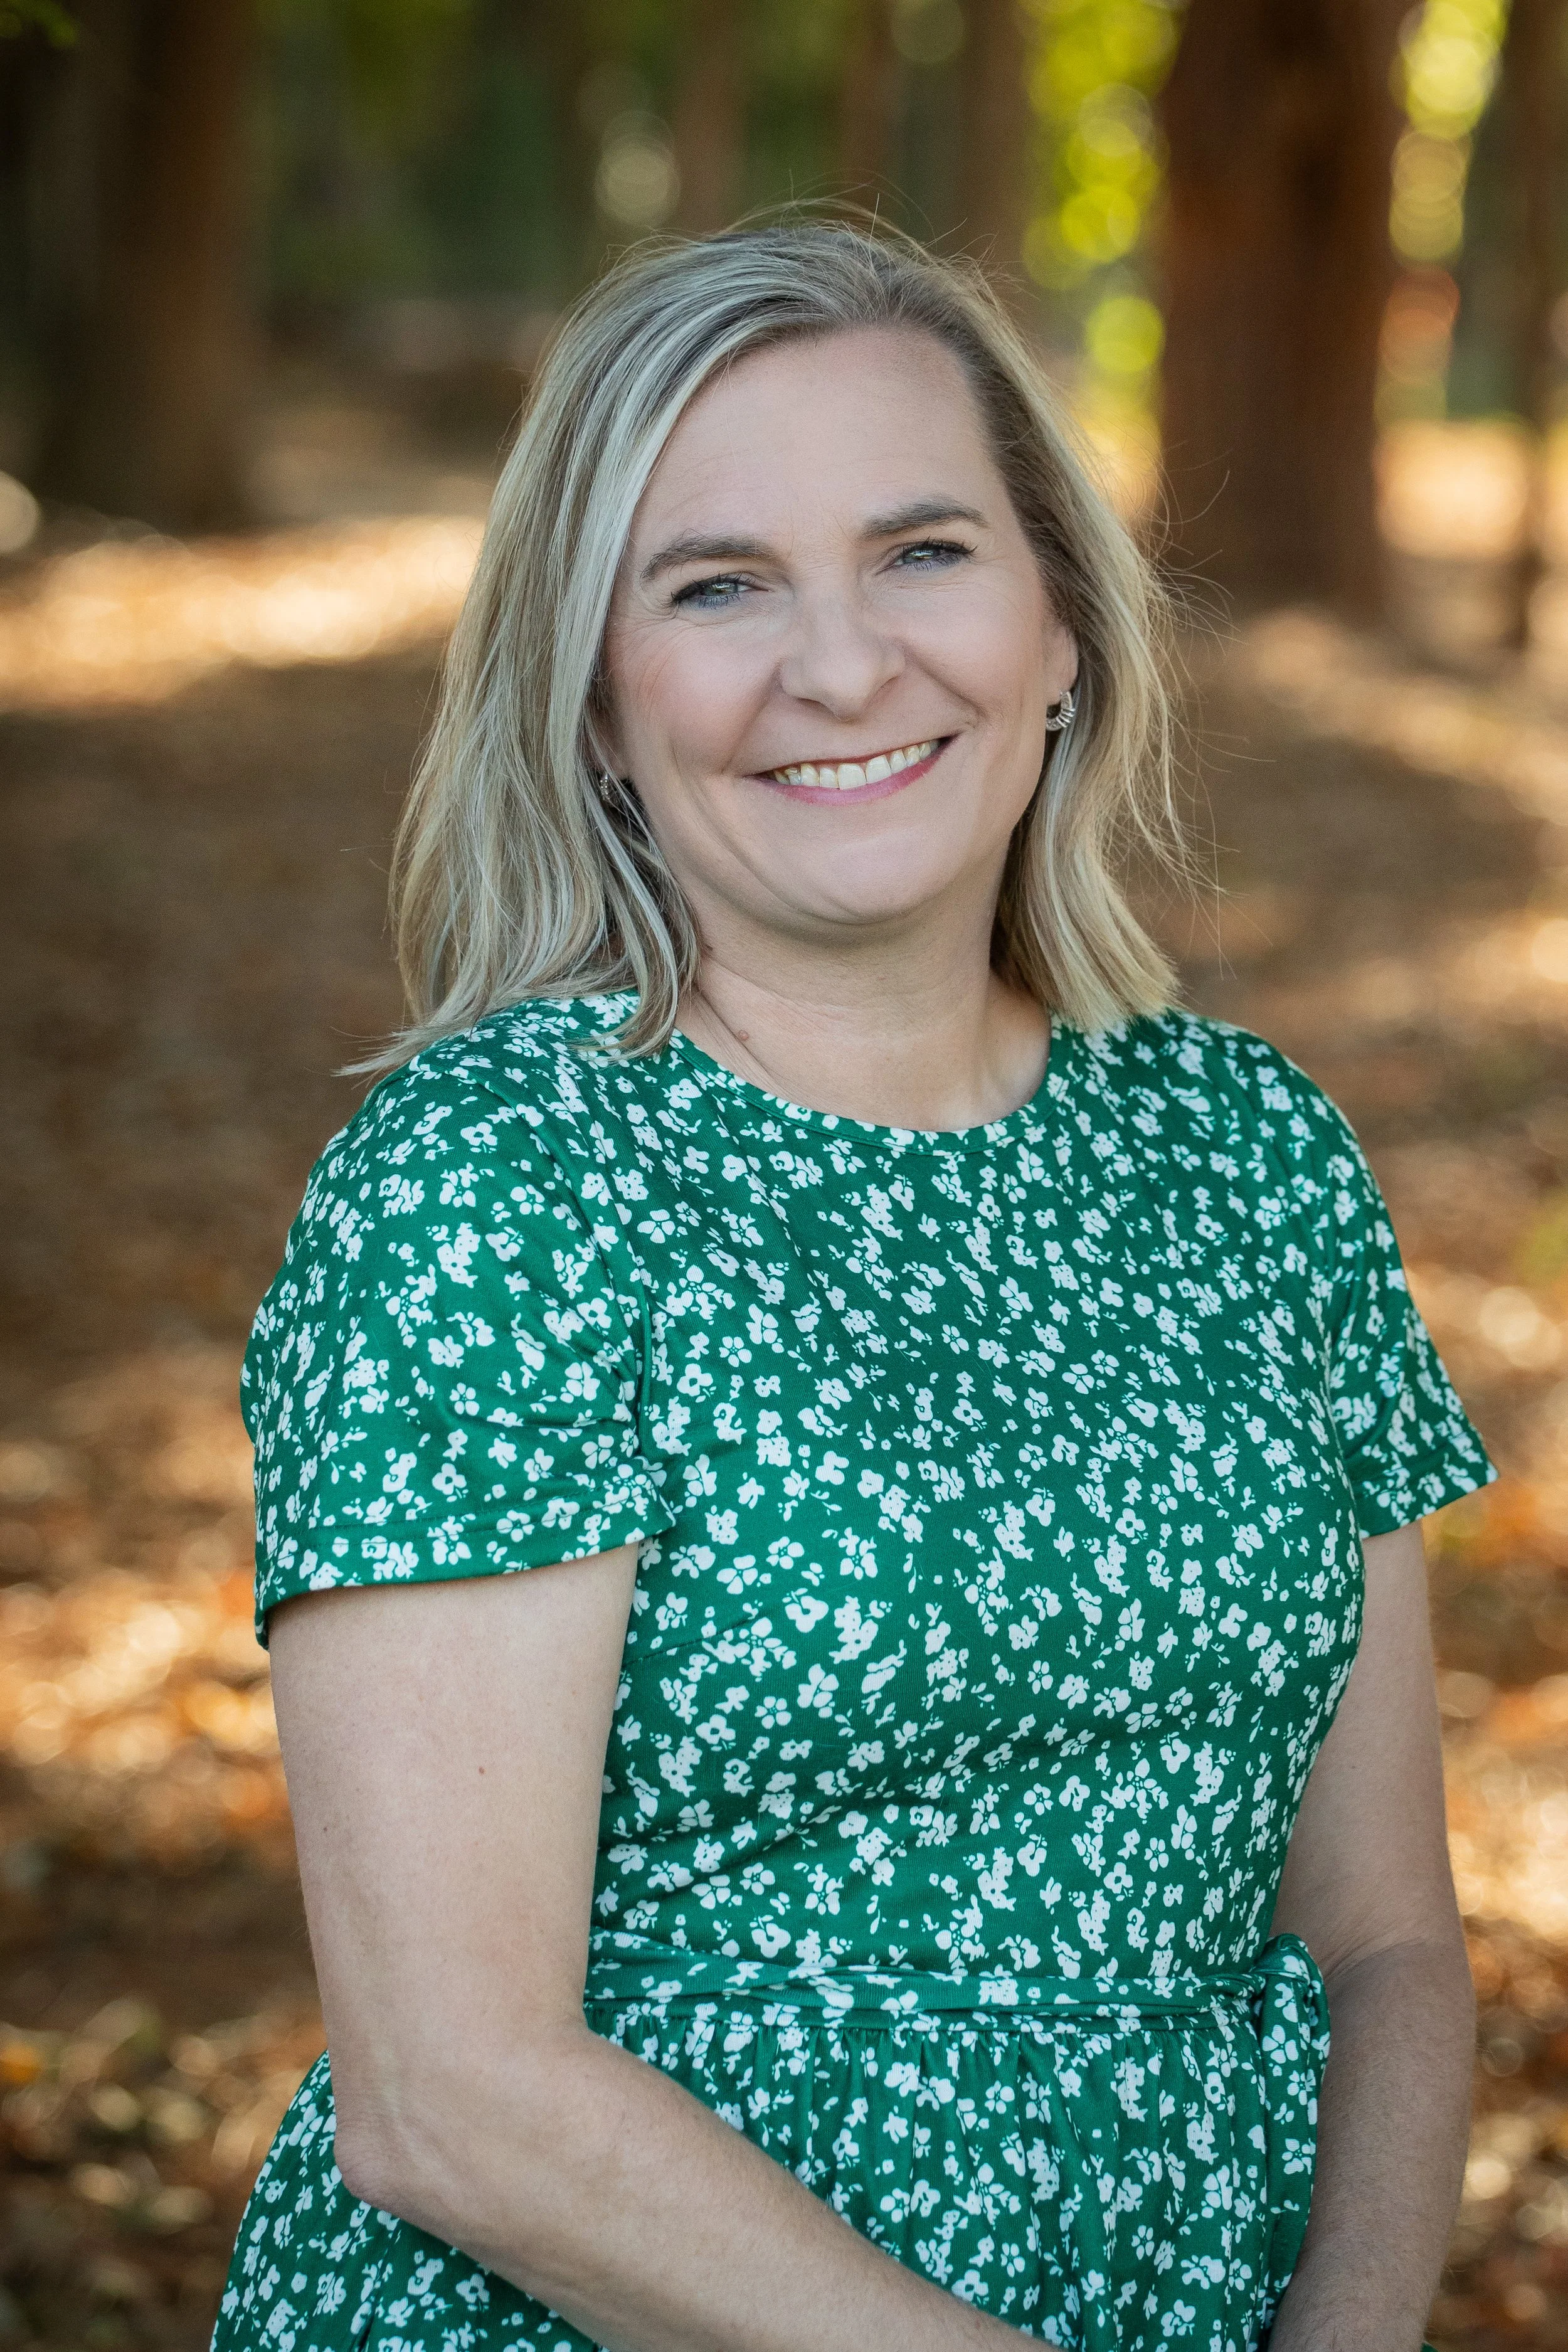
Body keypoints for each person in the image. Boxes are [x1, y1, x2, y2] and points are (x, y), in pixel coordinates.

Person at [211, 222, 1491, 2352]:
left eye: (921, 551)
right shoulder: (489, 1197)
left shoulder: (1249, 1154)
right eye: (715, 585)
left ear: (1062, 623)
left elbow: (1382, 1940)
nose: (839, 665)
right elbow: (455, 2102)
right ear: (597, 703)